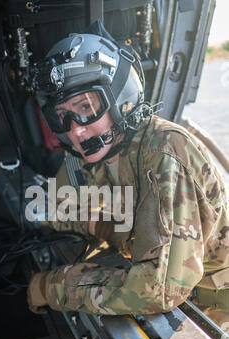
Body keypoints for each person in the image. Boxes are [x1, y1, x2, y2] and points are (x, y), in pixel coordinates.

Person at [26, 30, 229, 324]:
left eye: (86, 108)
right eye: (62, 115)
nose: (75, 130)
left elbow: (158, 292)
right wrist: (94, 224)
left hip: (213, 300)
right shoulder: (103, 151)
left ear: (122, 99)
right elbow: (60, 205)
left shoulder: (165, 151)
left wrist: (52, 287)